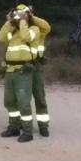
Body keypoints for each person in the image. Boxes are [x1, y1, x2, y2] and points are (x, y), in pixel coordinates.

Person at [0, 3, 40, 143]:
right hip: (10, 70)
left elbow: (26, 37)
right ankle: (14, 127)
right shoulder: (13, 31)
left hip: (23, 71)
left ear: (28, 15)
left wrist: (22, 21)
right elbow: (1, 37)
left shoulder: (34, 29)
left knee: (23, 102)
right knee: (9, 101)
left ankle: (27, 131)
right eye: (18, 13)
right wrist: (9, 21)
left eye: (23, 13)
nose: (20, 16)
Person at [29, 7, 51, 137]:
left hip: (36, 65)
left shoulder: (40, 30)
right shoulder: (18, 29)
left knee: (40, 97)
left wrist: (31, 17)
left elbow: (47, 27)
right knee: (21, 99)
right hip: (20, 67)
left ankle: (43, 125)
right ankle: (21, 124)